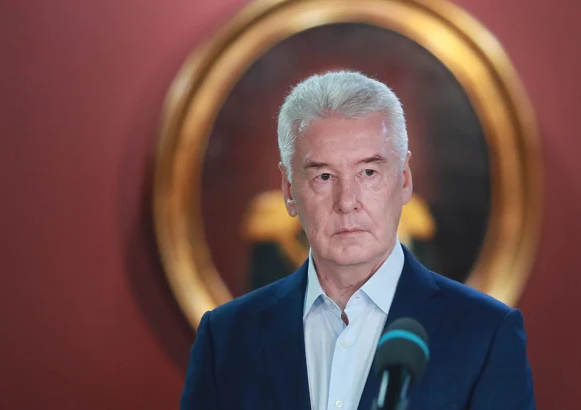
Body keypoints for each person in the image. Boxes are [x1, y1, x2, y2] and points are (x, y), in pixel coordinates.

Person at [180, 71, 535, 410]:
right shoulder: (225, 337)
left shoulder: (486, 334)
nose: (347, 201)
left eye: (368, 172)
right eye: (324, 176)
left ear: (405, 180)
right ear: (288, 191)